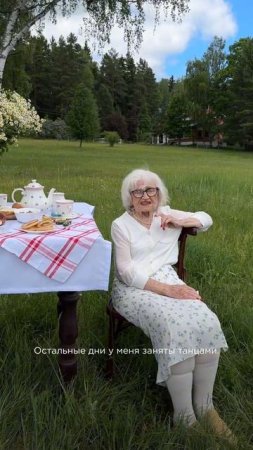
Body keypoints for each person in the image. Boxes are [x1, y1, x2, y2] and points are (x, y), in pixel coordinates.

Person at [111, 168, 235, 442]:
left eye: (151, 190)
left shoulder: (165, 214)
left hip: (171, 280)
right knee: (173, 325)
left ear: (159, 193)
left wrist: (178, 218)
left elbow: (205, 219)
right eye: (138, 191)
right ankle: (184, 415)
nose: (145, 196)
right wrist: (168, 290)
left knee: (206, 320)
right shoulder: (121, 225)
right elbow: (125, 272)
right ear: (129, 198)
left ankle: (205, 406)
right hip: (136, 288)